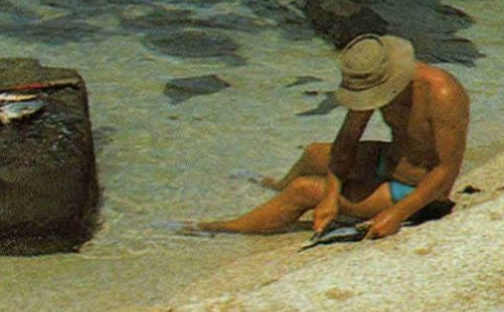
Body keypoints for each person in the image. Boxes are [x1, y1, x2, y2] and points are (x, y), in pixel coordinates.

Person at [199, 34, 469, 239]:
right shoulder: (373, 76)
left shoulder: (443, 95)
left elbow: (447, 170)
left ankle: (224, 229)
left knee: (303, 190)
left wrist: (395, 215)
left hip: (420, 190)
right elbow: (348, 139)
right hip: (391, 159)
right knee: (315, 154)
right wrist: (332, 192)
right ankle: (276, 194)